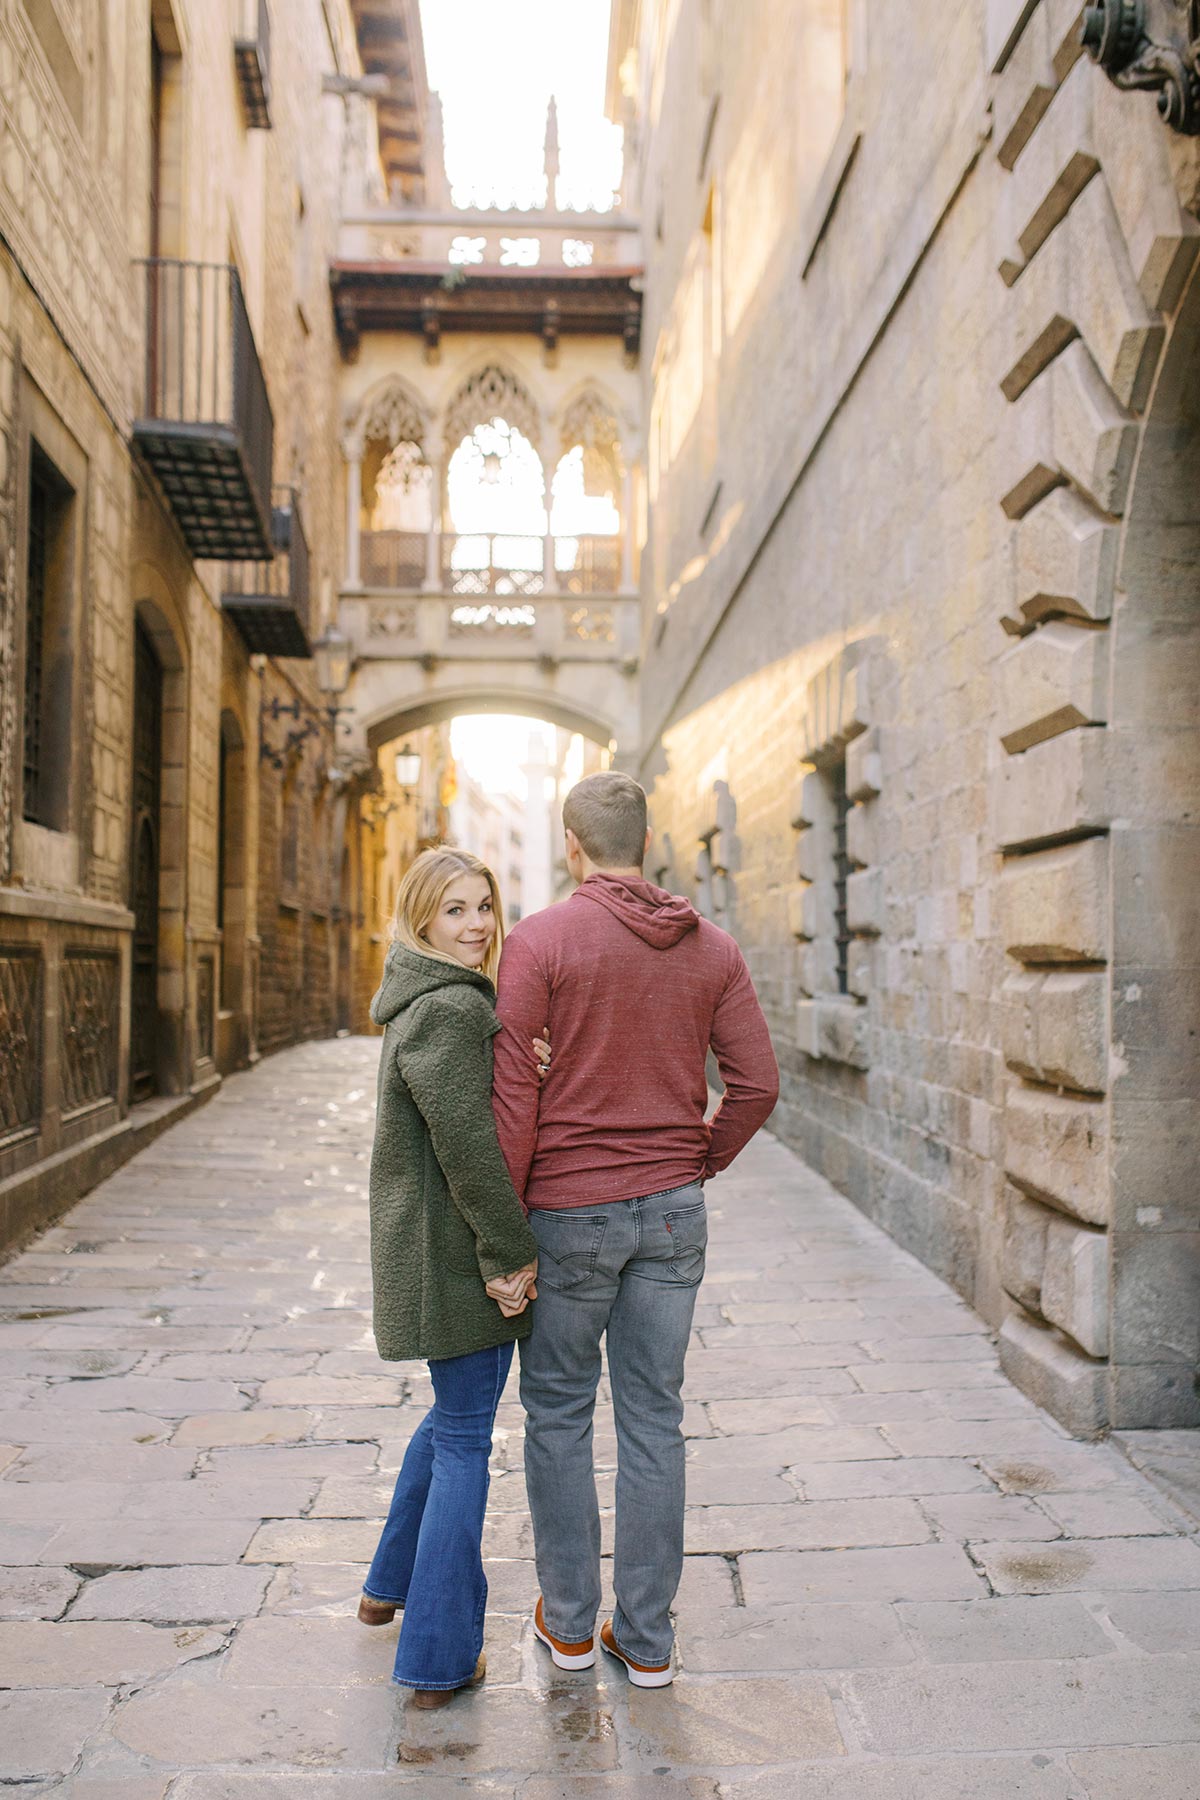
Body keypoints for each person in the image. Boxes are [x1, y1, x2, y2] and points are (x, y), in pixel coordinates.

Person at [490, 770, 779, 1689]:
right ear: (645, 843)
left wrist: (504, 1229)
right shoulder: (714, 951)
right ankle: (647, 1641)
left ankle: (570, 1629)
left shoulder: (539, 942)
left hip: (568, 1212)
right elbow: (758, 1084)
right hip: (671, 1210)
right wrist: (699, 1158)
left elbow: (510, 1101)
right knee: (655, 1420)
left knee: (560, 1414)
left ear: (571, 844)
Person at [361, 847, 542, 1708]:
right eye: (455, 910)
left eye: (484, 908)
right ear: (422, 918)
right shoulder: (451, 1009)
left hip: (429, 1250)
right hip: (454, 1257)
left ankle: (386, 1586)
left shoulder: (426, 997)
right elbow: (469, 1152)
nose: (475, 925)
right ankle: (437, 1658)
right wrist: (508, 1255)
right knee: (469, 1439)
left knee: (451, 1420)